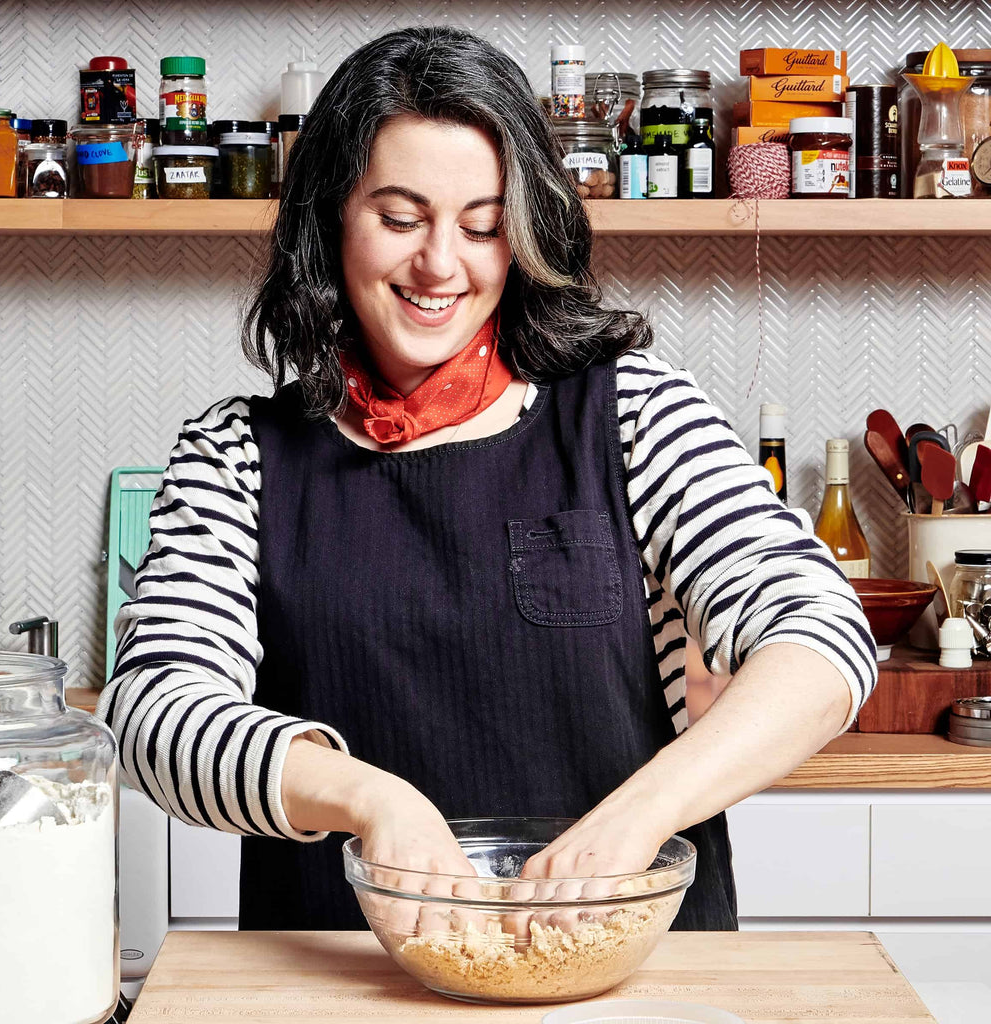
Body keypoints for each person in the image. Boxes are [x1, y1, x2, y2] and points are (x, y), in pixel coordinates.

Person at [96, 25, 876, 933]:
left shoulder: (630, 412)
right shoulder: (238, 455)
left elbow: (820, 637)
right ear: (329, 219)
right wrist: (368, 800)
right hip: (344, 982)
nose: (440, 264)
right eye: (398, 218)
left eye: (482, 225)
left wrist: (636, 819)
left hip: (626, 973)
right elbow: (156, 711)